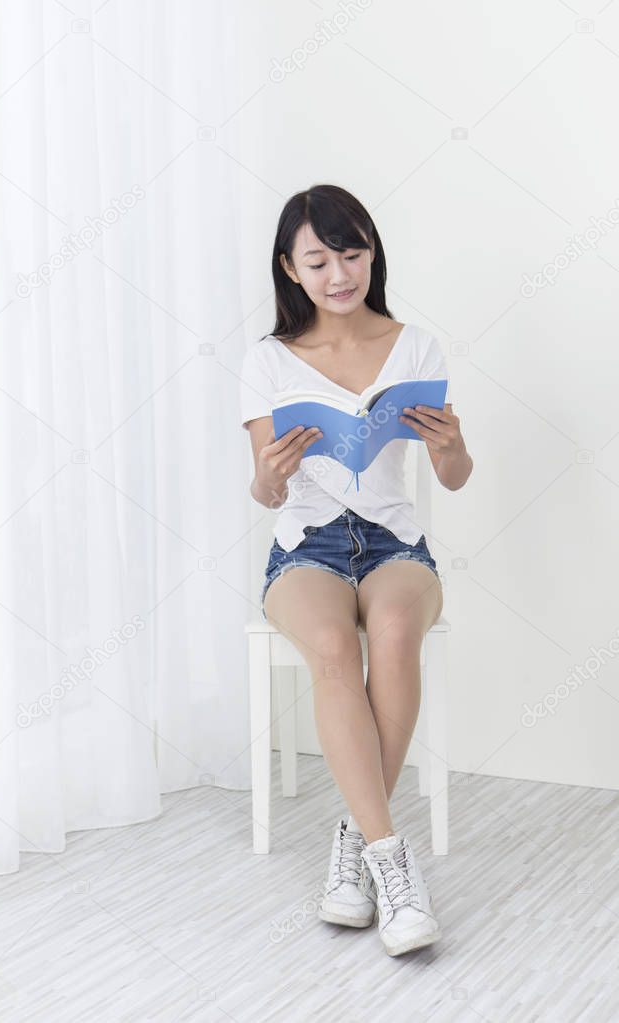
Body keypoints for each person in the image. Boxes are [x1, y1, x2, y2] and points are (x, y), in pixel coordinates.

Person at [239, 184, 473, 957]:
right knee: (335, 649)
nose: (340, 273)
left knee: (398, 628)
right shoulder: (268, 362)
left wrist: (447, 448)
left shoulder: (416, 345)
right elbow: (266, 491)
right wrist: (272, 472)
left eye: (353, 252)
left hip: (393, 540)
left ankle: (355, 836)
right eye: (319, 259)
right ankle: (391, 863)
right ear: (291, 269)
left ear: (372, 252)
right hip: (306, 545)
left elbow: (456, 477)